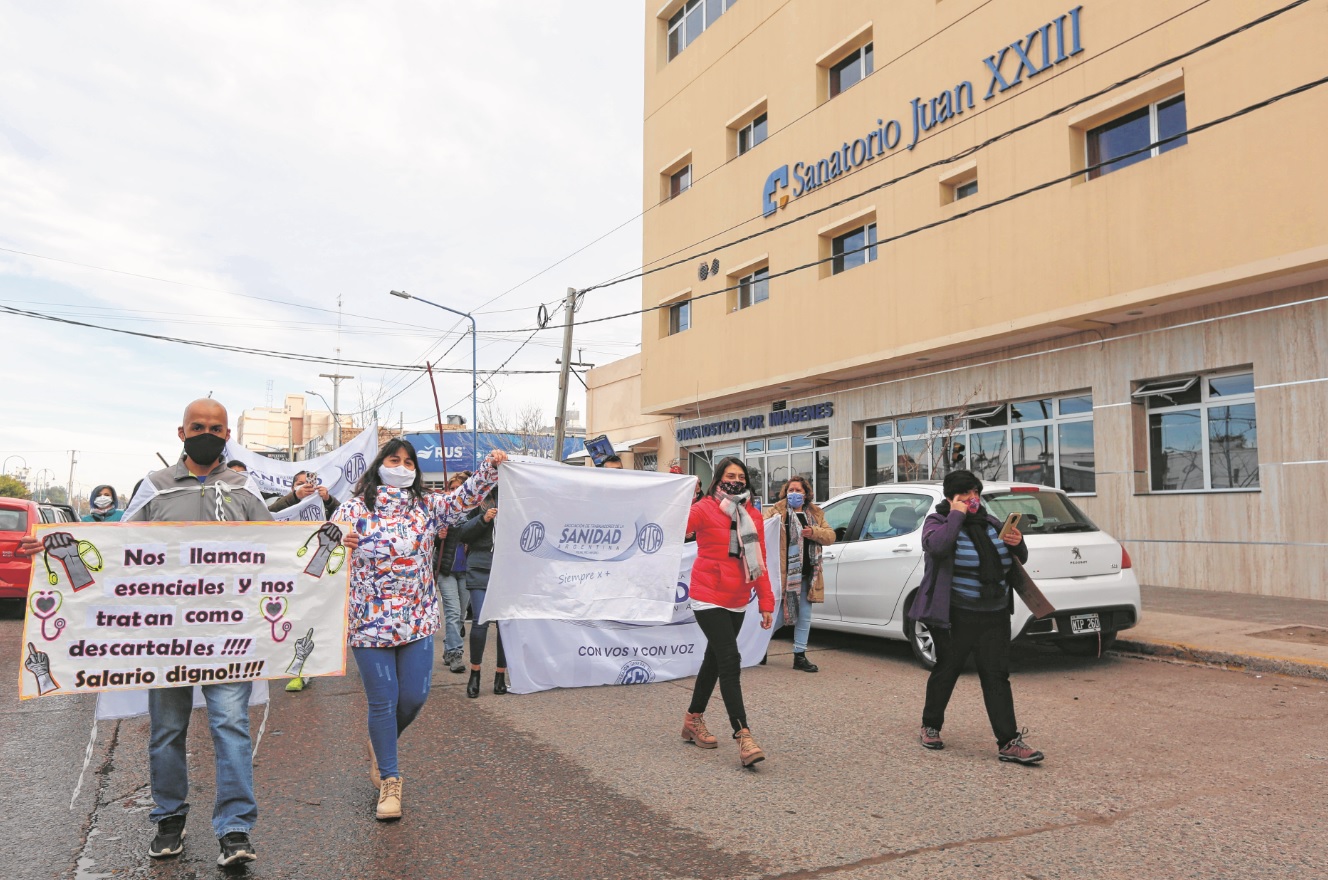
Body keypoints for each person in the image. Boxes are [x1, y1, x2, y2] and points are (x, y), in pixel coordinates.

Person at [18, 400, 342, 867]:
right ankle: (170, 816)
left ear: (227, 434)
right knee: (167, 731)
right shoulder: (154, 489)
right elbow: (114, 549)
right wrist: (49, 547)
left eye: (215, 428)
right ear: (181, 432)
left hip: (231, 635)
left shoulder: (243, 487)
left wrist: (333, 542)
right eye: (197, 427)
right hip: (166, 637)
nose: (206, 434)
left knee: (230, 729)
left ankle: (235, 830)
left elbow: (278, 550)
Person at [334, 440, 503, 821]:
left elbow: (466, 497)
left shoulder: (427, 506)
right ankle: (390, 782)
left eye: (408, 461)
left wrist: (489, 466)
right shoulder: (353, 508)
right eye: (394, 460)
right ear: (380, 465)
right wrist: (338, 545)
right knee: (383, 700)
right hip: (369, 621)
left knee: (413, 698)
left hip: (417, 618)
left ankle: (380, 744)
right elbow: (317, 554)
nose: (402, 466)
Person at [907, 470, 1044, 765]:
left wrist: (1017, 543)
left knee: (996, 676)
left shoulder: (992, 523)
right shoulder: (937, 523)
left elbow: (1015, 558)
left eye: (975, 493)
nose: (972, 499)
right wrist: (955, 515)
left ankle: (1008, 742)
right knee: (948, 669)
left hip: (994, 612)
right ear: (949, 498)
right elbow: (939, 547)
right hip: (955, 613)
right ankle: (930, 725)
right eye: (965, 495)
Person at [681, 456, 774, 767]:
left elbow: (757, 562)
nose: (736, 480)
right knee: (730, 658)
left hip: (737, 597)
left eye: (741, 476)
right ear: (718, 479)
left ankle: (693, 720)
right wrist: (681, 496)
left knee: (714, 660)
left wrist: (766, 602)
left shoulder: (753, 515)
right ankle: (744, 736)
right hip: (707, 594)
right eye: (730, 475)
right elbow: (676, 528)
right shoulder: (704, 508)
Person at [764, 476, 834, 673]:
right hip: (782, 574)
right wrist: (776, 523)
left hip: (806, 574)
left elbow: (830, 536)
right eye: (791, 490)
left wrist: (813, 532)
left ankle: (799, 655)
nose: (794, 493)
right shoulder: (776, 511)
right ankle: (758, 647)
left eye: (798, 490)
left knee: (804, 615)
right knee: (777, 616)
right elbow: (763, 529)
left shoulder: (815, 513)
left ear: (806, 494)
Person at [457, 487, 506, 698]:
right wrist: (484, 519)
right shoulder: (478, 498)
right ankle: (475, 672)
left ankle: (500, 674)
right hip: (480, 567)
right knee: (480, 621)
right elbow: (462, 533)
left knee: (506, 623)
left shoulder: (515, 496)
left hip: (507, 569)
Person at [434, 471, 472, 674]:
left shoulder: (472, 510)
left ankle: (449, 649)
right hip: (447, 569)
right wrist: (438, 536)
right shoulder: (442, 510)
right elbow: (428, 538)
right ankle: (456, 653)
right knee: (453, 612)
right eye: (452, 488)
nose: (454, 492)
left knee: (462, 615)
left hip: (466, 569)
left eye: (459, 488)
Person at [269, 470, 339, 520]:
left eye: (309, 483)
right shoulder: (285, 501)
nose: (304, 487)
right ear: (293, 488)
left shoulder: (321, 503)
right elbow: (270, 512)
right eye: (300, 484)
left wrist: (328, 500)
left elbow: (341, 512)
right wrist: (295, 496)